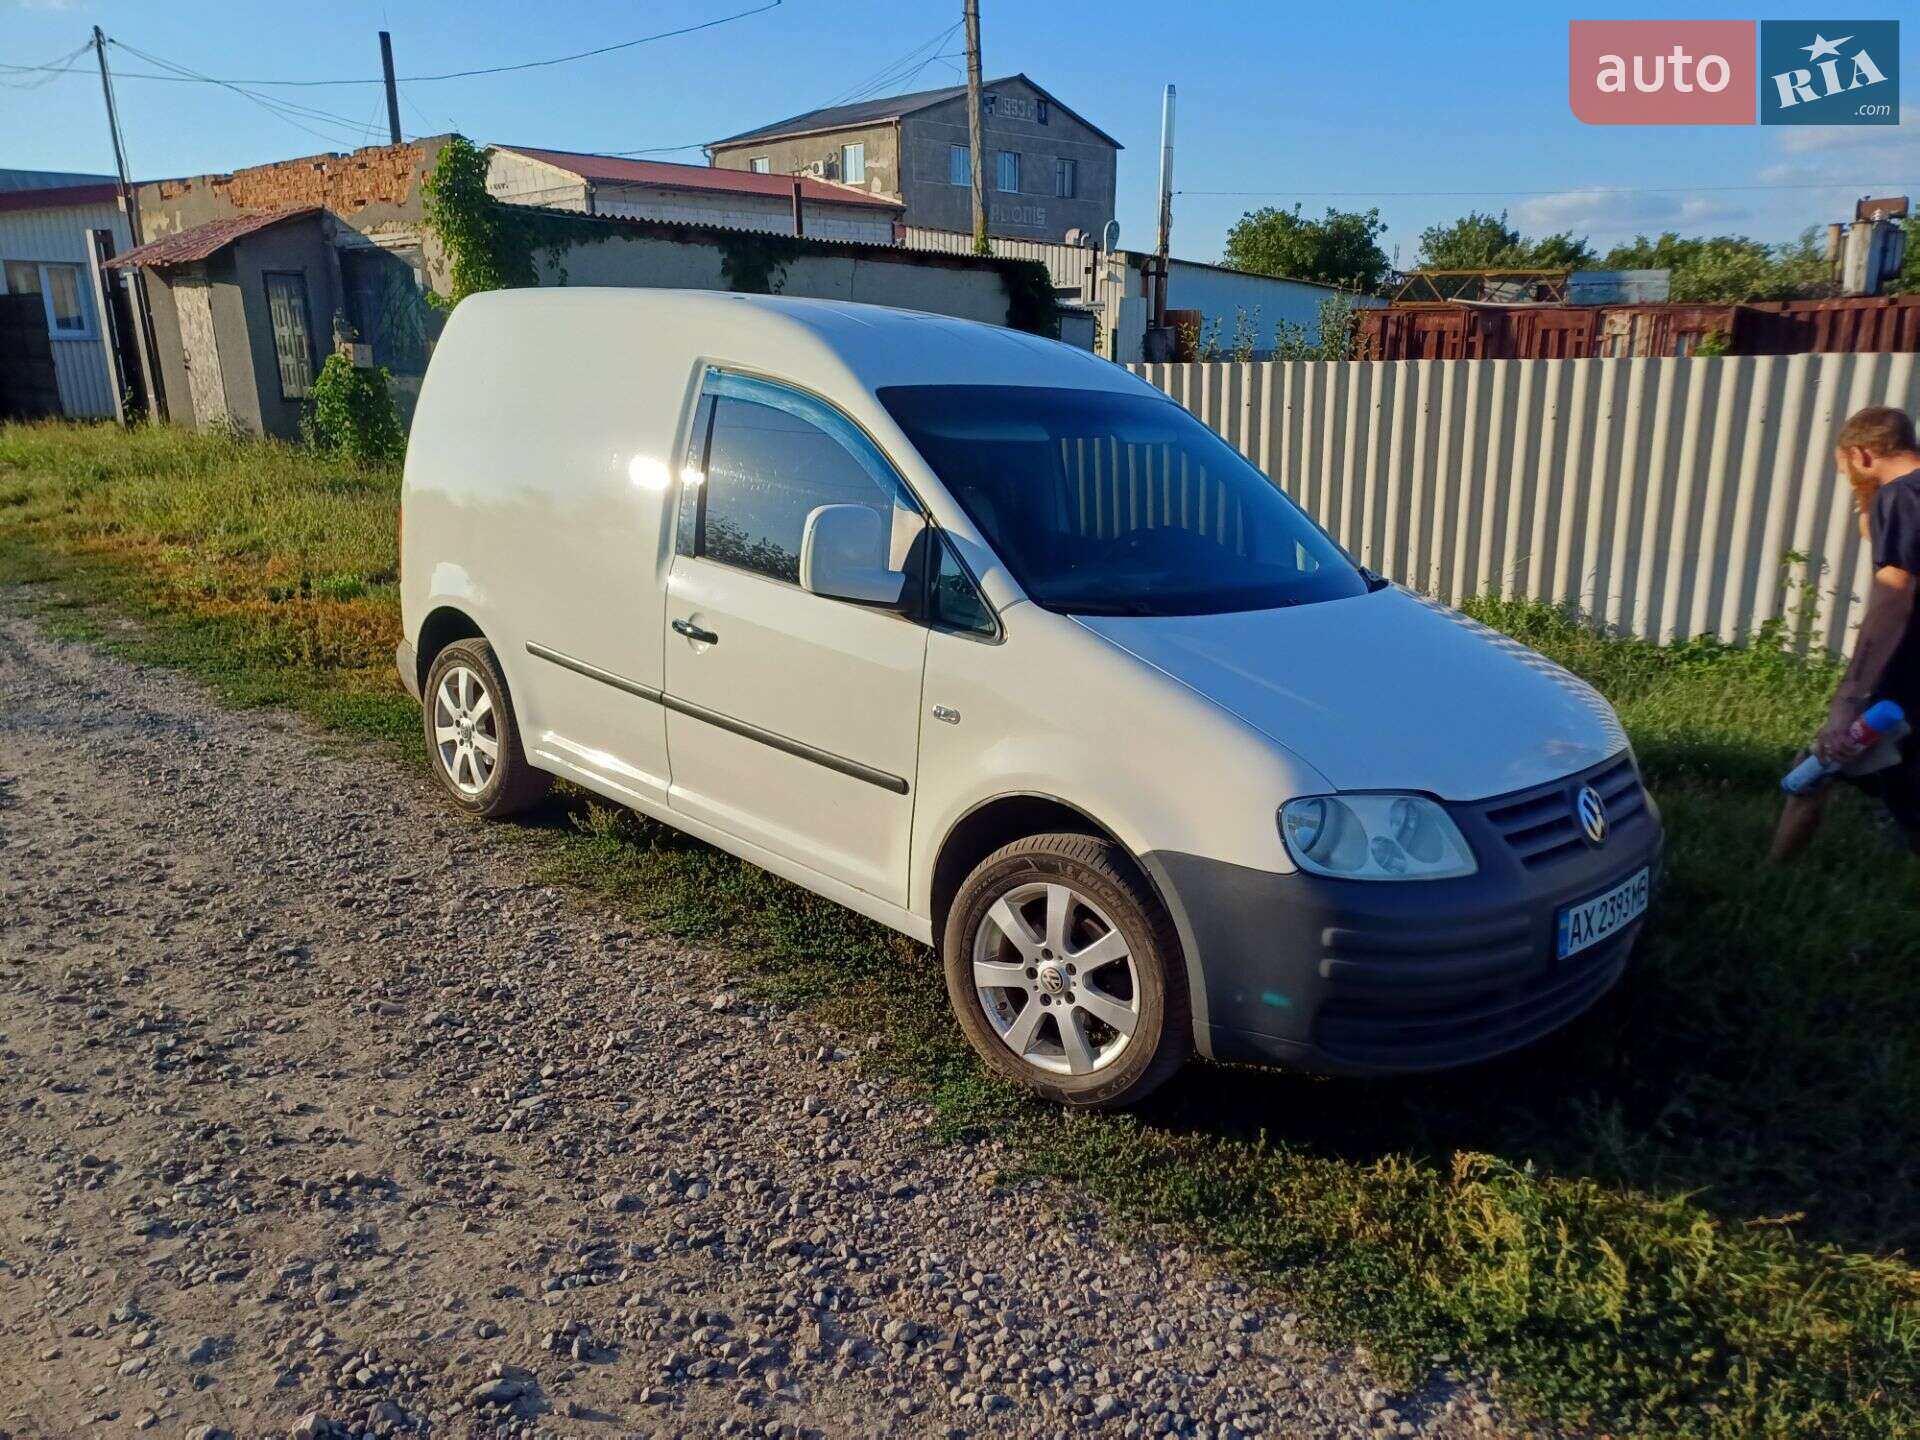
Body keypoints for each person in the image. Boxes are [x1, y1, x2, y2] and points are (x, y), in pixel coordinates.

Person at [1769, 405, 1920, 861]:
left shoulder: (1901, 496)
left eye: (1849, 469)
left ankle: (1770, 880)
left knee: (1819, 763)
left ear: (1863, 454)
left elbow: (1893, 598)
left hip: (1906, 680)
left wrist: (1849, 698)